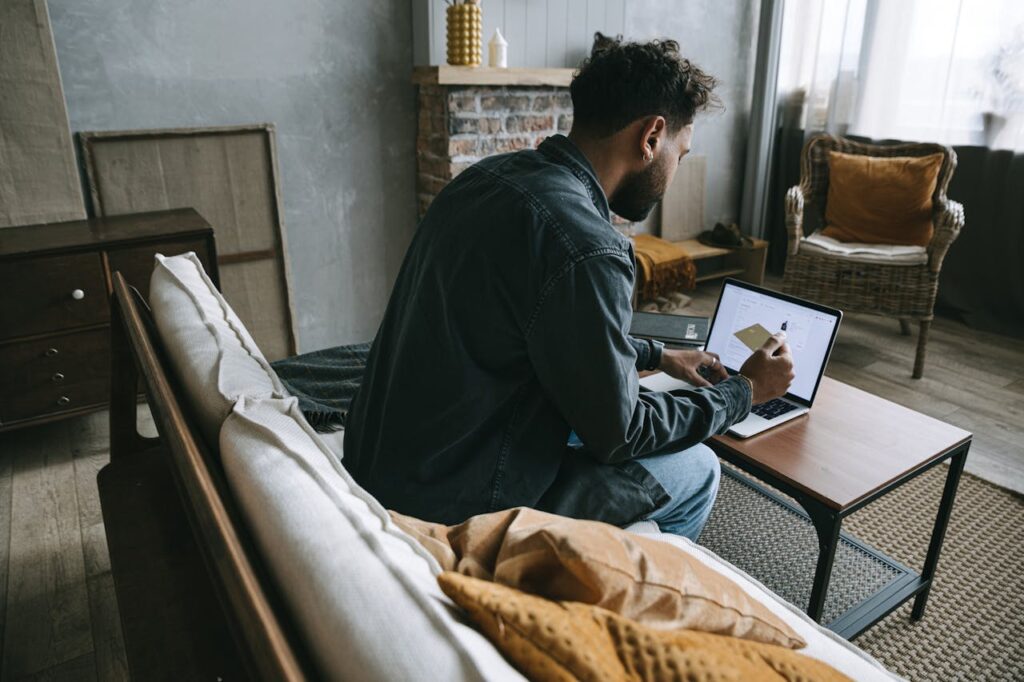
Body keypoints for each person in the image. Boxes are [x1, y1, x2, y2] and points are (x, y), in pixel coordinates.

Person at [344, 36, 794, 541]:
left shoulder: (485, 179)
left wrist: (657, 355)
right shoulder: (589, 246)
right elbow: (622, 435)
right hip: (456, 500)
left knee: (614, 403)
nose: (674, 172)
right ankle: (620, 589)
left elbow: (539, 327)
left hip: (386, 460)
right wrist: (746, 391)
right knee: (699, 470)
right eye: (680, 155)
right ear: (651, 137)